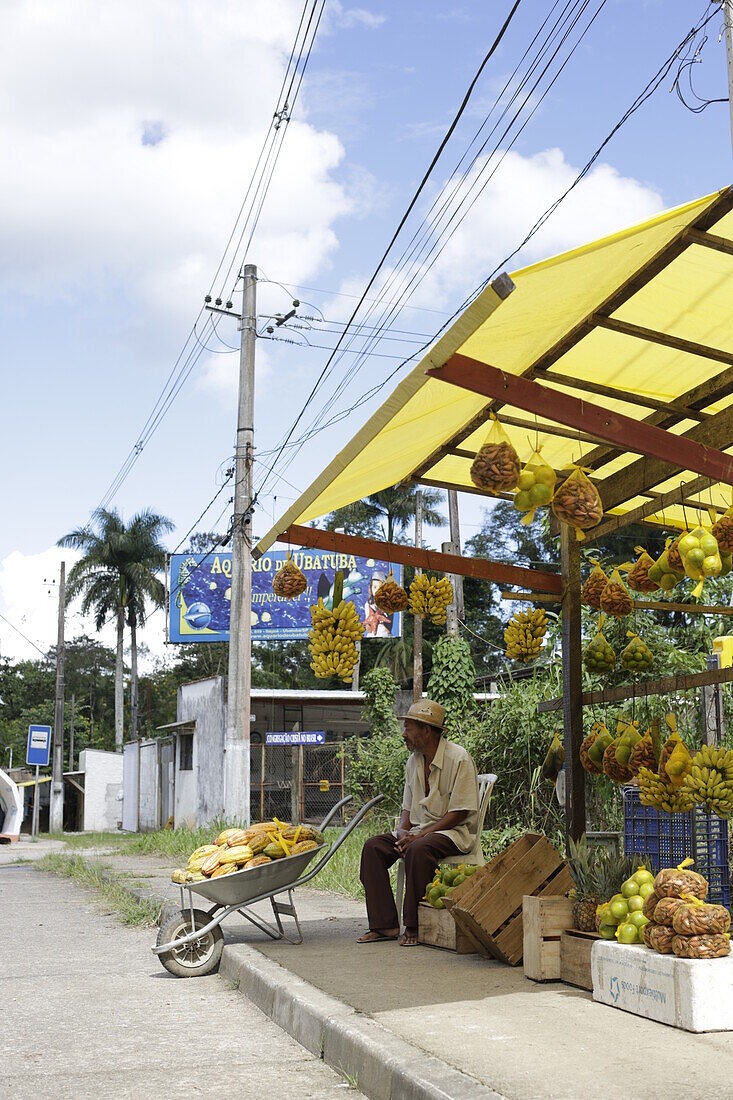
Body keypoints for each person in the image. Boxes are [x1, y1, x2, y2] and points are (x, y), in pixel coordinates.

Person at [357, 699, 480, 947]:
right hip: (419, 832)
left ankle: (414, 926)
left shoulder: (459, 758)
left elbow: (458, 813)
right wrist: (403, 831)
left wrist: (419, 837)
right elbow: (407, 810)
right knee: (373, 847)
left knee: (418, 849)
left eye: (409, 728)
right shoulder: (413, 761)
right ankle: (385, 925)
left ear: (426, 730)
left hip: (453, 833)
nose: (404, 734)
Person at [363, 571, 392, 638]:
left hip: (385, 637)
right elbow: (369, 630)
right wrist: (370, 621)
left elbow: (388, 629)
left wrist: (382, 620)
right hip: (371, 637)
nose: (377, 591)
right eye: (375, 587)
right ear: (371, 588)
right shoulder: (368, 605)